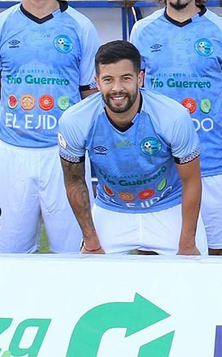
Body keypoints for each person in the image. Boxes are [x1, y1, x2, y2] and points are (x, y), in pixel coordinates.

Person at [0, 0, 100, 253]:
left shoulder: (81, 27)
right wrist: (13, 129)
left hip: (64, 156)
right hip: (12, 156)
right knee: (6, 254)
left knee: (75, 252)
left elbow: (88, 96)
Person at [58, 41, 205, 256]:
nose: (117, 88)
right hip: (112, 209)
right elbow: (74, 180)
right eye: (108, 80)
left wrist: (188, 243)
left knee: (193, 281)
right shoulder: (75, 120)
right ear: (97, 82)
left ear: (140, 78)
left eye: (125, 78)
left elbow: (191, 181)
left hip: (169, 206)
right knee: (94, 284)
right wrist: (90, 240)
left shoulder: (173, 116)